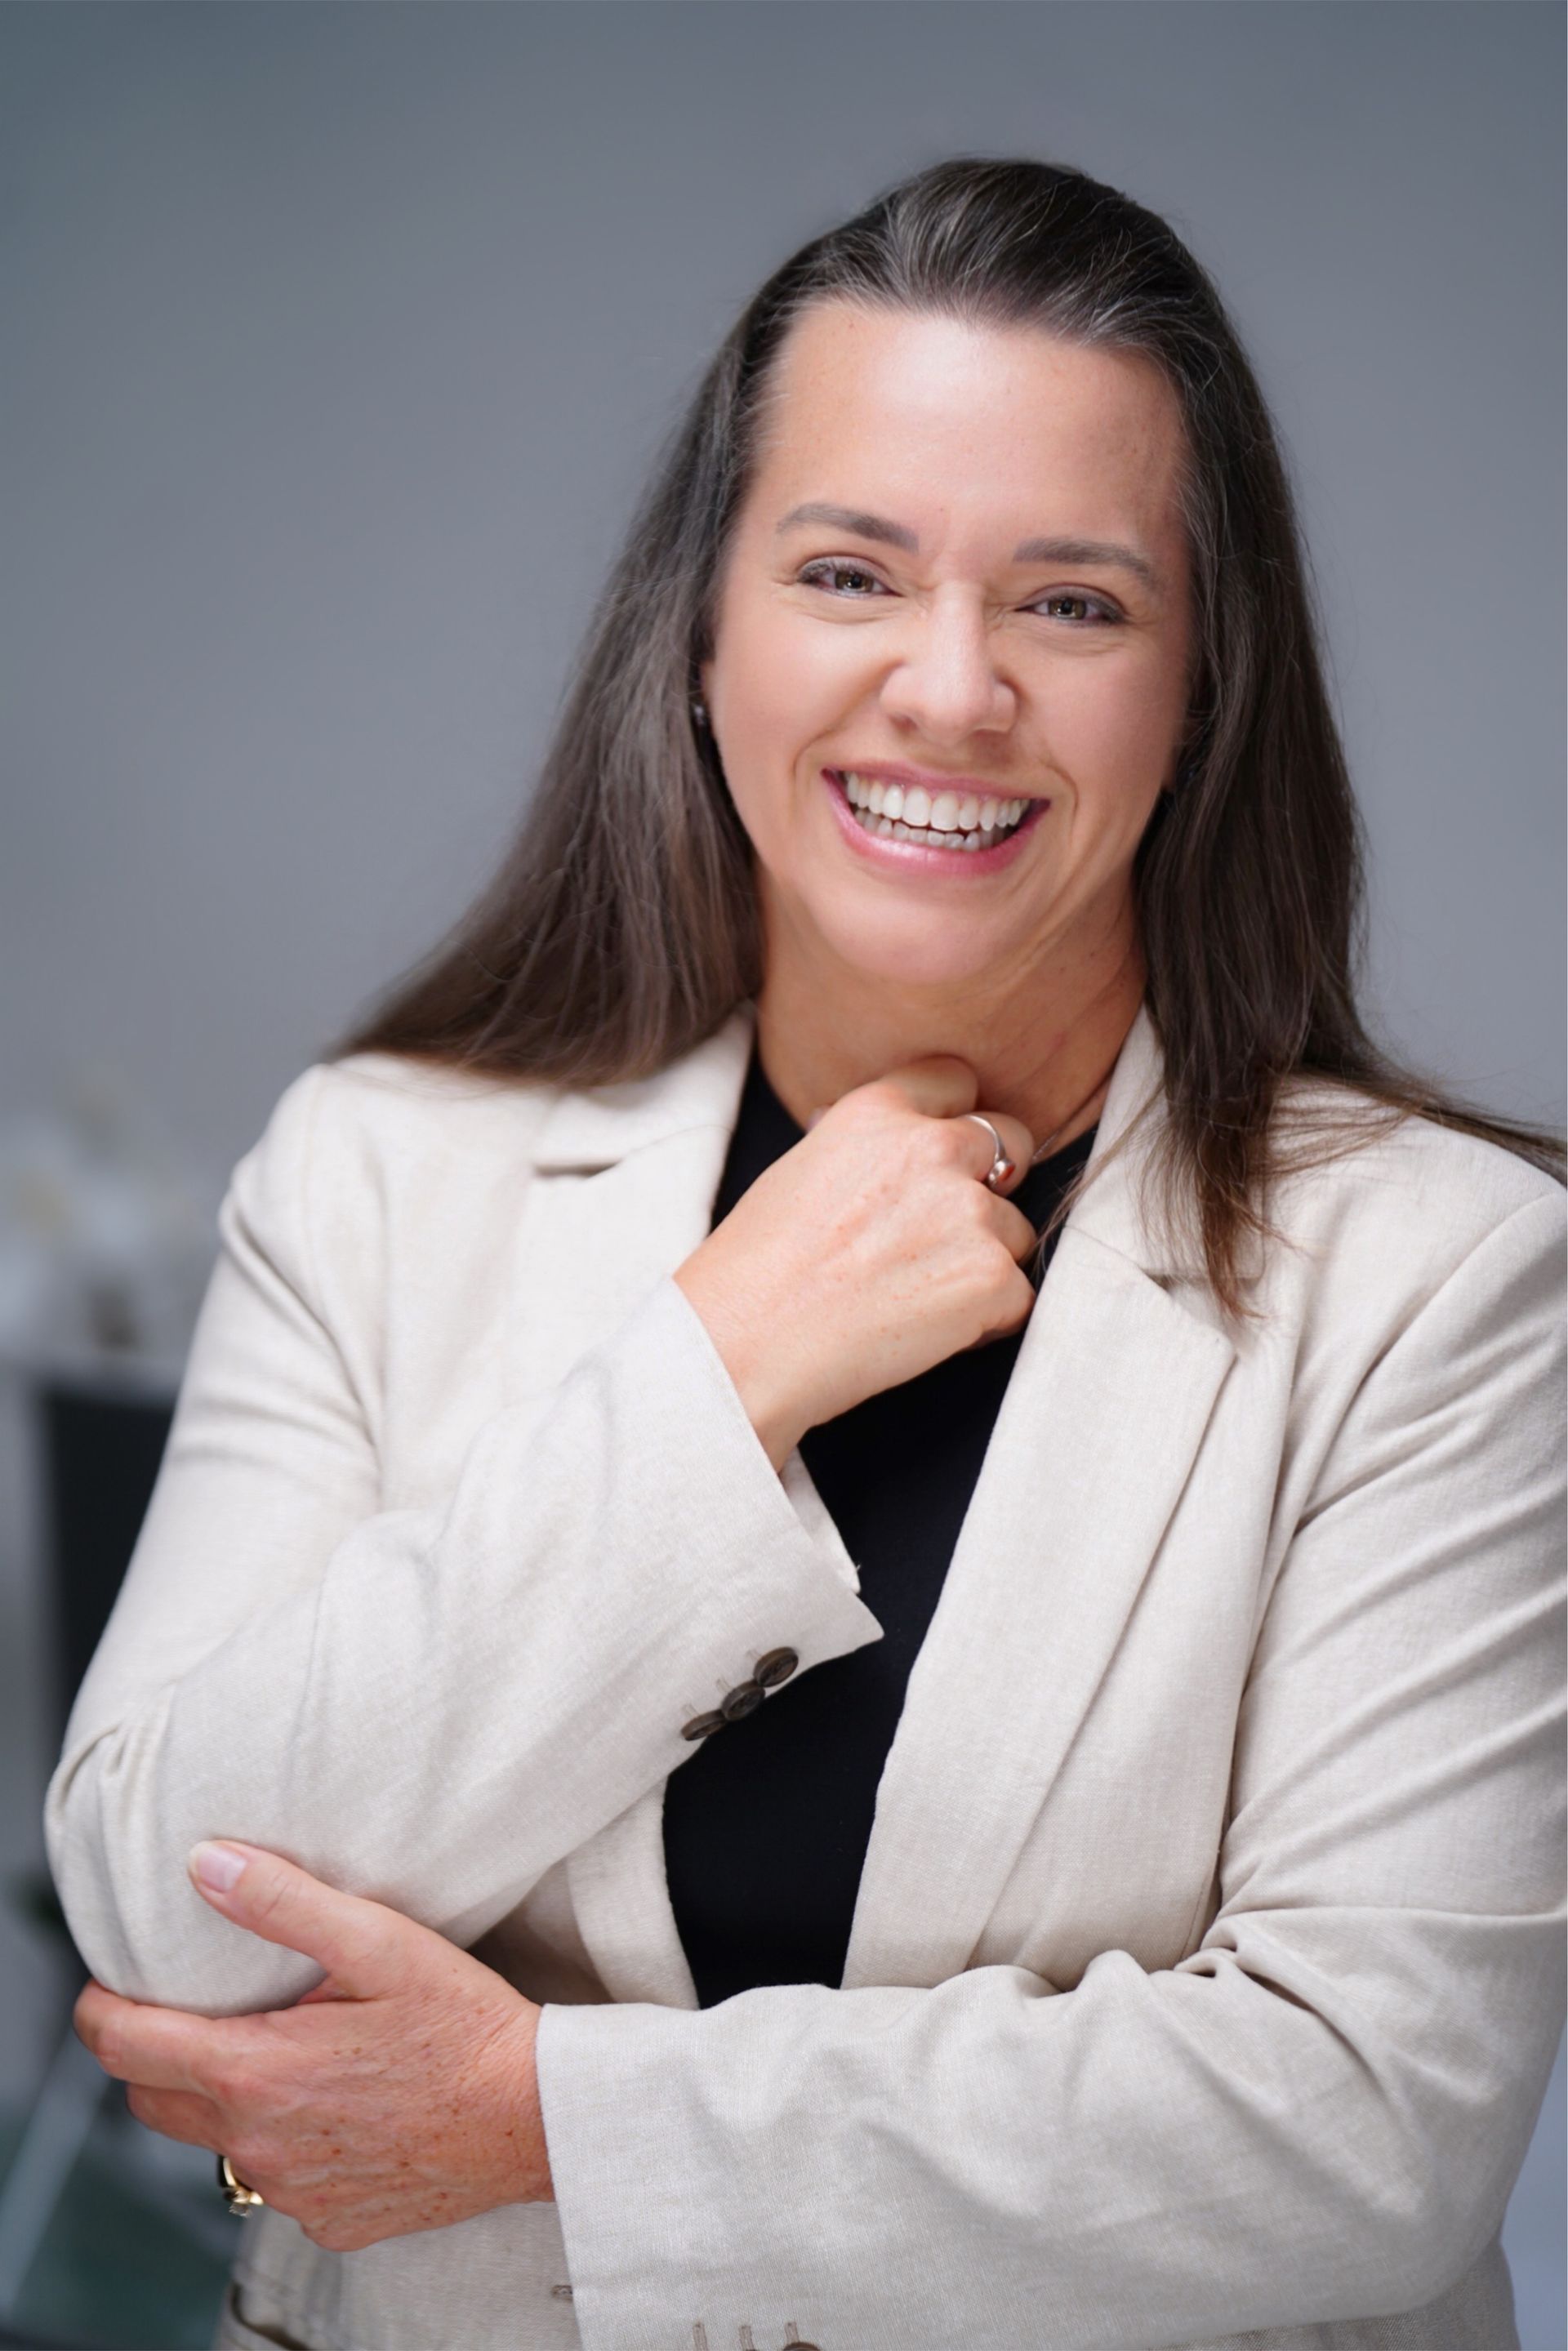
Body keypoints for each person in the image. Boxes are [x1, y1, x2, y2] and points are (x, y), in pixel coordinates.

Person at [51, 156, 1564, 2351]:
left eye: (1074, 603)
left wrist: (558, 2116)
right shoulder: (378, 1173)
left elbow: (1361, 2120)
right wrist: (712, 1371)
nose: (949, 691)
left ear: (1203, 688)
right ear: (704, 629)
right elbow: (166, 1919)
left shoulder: (1446, 1278)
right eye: (851, 568)